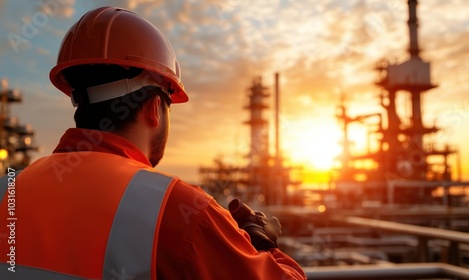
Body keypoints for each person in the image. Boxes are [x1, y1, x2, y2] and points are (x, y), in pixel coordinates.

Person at [0, 6, 306, 280]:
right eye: (169, 102)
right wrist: (264, 244)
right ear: (154, 109)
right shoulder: (177, 209)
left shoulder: (6, 191)